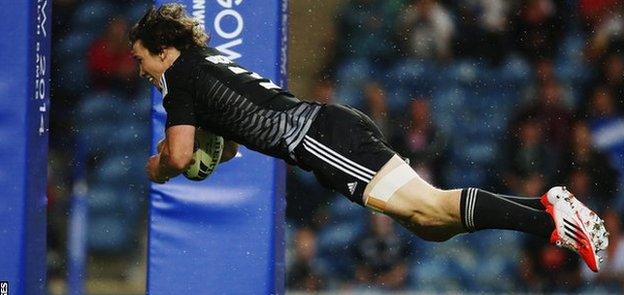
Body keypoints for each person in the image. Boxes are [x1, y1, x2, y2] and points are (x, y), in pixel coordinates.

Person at [129, 4, 609, 272]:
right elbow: (225, 145)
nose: (142, 69)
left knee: (432, 209)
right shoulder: (202, 66)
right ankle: (547, 208)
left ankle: (552, 220)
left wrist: (161, 167)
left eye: (142, 59)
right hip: (330, 129)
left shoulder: (179, 80)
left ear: (164, 50)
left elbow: (180, 154)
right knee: (430, 225)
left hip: (321, 140)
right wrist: (201, 154)